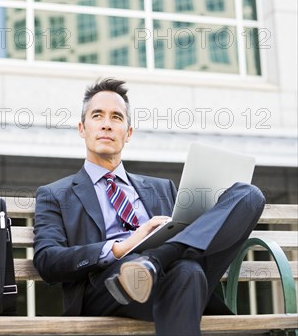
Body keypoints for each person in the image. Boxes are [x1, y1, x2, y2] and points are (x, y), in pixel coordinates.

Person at [34, 78, 265, 336]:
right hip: (110, 288)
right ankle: (148, 264)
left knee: (249, 195)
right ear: (82, 128)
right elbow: (47, 260)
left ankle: (155, 260)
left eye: (117, 118)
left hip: (174, 277)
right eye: (97, 116)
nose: (107, 124)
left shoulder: (162, 188)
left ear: (129, 133)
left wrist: (166, 245)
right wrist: (122, 247)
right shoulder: (55, 194)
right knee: (185, 272)